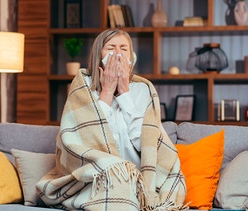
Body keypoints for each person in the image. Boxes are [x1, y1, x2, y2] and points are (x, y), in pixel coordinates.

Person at [36, 29, 186, 211]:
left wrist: (124, 93)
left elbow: (144, 142)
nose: (117, 54)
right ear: (98, 55)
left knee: (126, 188)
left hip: (136, 178)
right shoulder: (83, 89)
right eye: (111, 48)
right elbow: (88, 140)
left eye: (123, 48)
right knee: (115, 188)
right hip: (96, 175)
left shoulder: (143, 90)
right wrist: (107, 91)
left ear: (131, 57)